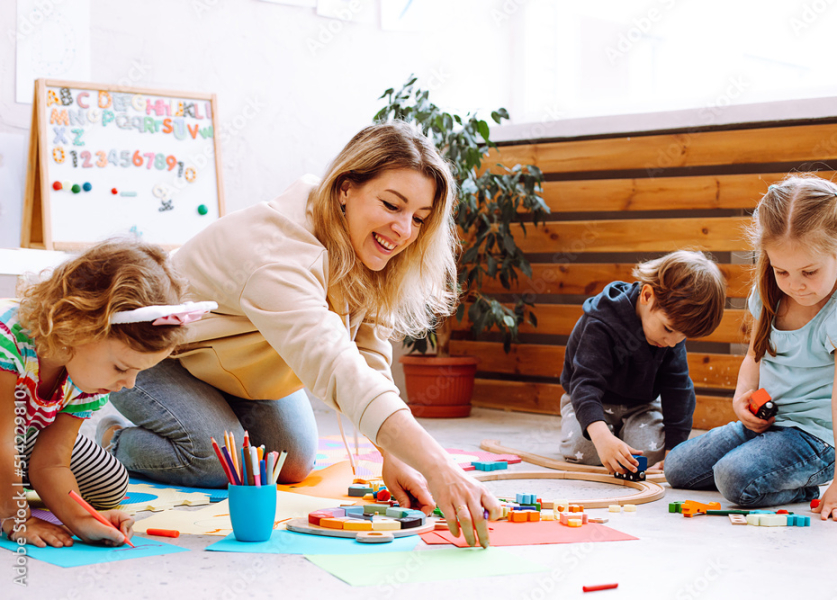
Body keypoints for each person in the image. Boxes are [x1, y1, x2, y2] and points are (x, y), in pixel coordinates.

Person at [105, 121, 500, 547]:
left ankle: (204, 418)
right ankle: (112, 440)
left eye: (419, 218)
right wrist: (441, 468)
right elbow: (335, 366)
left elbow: (367, 356)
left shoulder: (363, 245)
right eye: (391, 205)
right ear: (346, 187)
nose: (404, 230)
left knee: (288, 463)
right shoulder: (277, 252)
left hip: (229, 368)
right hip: (153, 357)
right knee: (220, 462)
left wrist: (395, 456)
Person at [665, 174, 837, 522]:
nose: (795, 285)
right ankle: (763, 463)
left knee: (733, 478)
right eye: (781, 270)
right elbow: (755, 354)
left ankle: (805, 486)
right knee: (677, 468)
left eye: (809, 271)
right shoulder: (772, 293)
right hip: (767, 423)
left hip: (815, 441)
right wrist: (743, 395)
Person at [0, 239, 213, 547]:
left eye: (138, 372)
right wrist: (16, 518)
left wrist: (81, 520)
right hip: (4, 437)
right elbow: (2, 441)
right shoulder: (8, 345)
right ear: (78, 326)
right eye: (121, 368)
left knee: (109, 483)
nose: (128, 384)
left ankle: (9, 486)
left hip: (19, 439)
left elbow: (51, 463)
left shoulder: (84, 373)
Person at [559, 250, 726, 476]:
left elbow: (678, 388)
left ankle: (618, 438)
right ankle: (608, 434)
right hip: (590, 400)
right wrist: (602, 437)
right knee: (582, 449)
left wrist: (673, 451)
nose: (671, 342)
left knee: (649, 453)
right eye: (668, 329)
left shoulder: (670, 337)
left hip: (641, 405)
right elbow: (585, 384)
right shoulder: (602, 321)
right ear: (647, 296)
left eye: (682, 336)